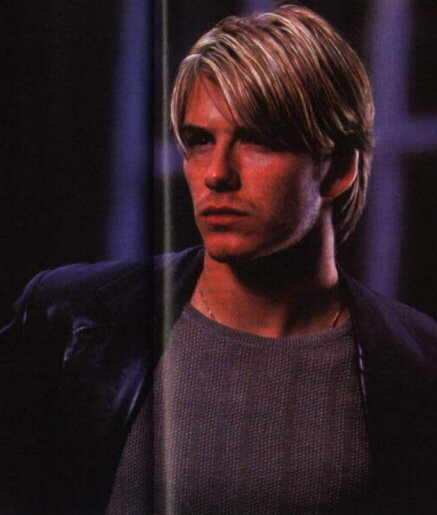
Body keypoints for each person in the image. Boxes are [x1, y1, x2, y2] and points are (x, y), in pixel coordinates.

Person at [1, 4, 437, 515]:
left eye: (258, 140)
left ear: (338, 169)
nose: (217, 174)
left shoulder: (417, 366)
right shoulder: (71, 321)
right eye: (200, 141)